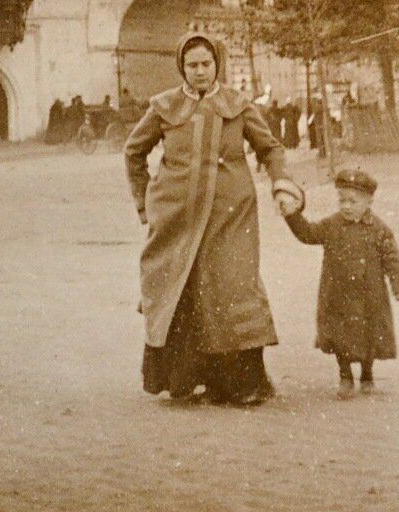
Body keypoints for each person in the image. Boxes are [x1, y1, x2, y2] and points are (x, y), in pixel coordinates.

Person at [123, 33, 303, 406]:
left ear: (217, 64)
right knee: (179, 287)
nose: (200, 72)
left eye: (206, 64)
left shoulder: (238, 105)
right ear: (182, 68)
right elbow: (133, 152)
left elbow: (270, 148)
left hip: (230, 216)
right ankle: (185, 381)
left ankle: (242, 385)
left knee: (232, 288)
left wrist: (281, 183)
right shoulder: (164, 106)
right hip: (176, 219)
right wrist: (146, 203)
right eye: (192, 65)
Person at [279, 167, 399, 398]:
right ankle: (345, 376)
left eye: (353, 201)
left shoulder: (379, 230)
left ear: (369, 201)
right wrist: (292, 215)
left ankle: (367, 375)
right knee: (340, 337)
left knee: (369, 335)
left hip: (370, 296)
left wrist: (398, 285)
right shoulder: (332, 225)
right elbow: (308, 234)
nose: (346, 206)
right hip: (337, 295)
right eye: (342, 201)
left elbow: (392, 258)